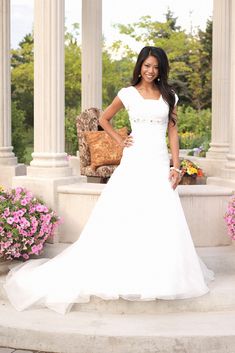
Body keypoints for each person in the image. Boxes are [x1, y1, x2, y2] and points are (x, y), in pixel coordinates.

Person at [4, 46, 214, 314]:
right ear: (140, 66)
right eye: (147, 66)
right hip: (135, 160)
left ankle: (160, 272)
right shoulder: (127, 93)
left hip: (159, 162)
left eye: (156, 67)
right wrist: (119, 140)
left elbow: (173, 133)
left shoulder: (169, 96)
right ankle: (123, 269)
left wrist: (176, 167)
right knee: (125, 213)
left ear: (161, 69)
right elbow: (104, 118)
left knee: (160, 215)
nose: (150, 71)